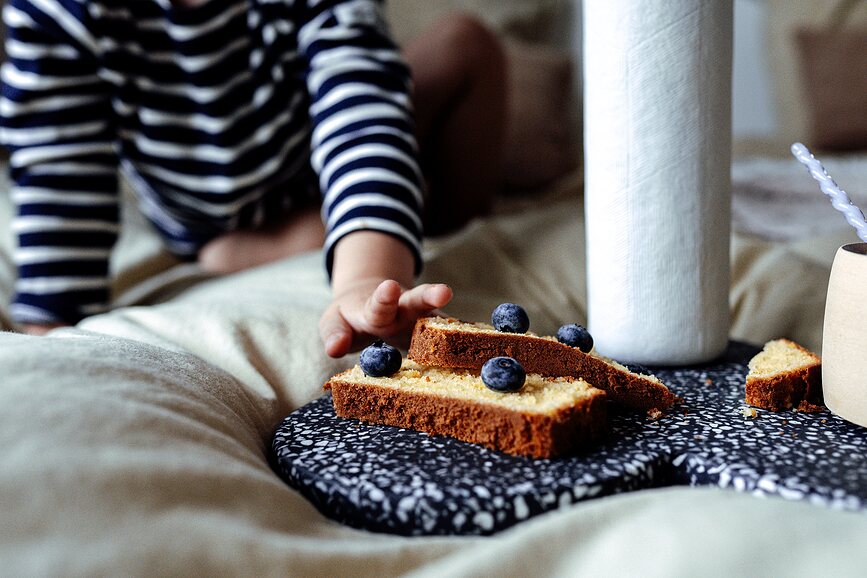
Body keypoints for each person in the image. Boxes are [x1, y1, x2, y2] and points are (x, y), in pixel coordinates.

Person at [0, 0, 506, 357]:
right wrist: (53, 321)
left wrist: (365, 278)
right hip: (213, 220)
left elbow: (360, 103)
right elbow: (59, 163)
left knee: (465, 43)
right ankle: (399, 211)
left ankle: (432, 219)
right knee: (237, 248)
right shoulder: (58, 12)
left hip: (314, 155)